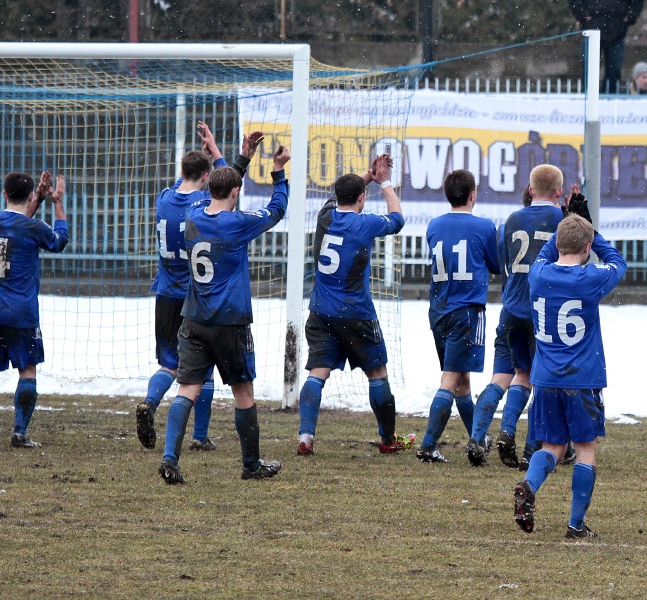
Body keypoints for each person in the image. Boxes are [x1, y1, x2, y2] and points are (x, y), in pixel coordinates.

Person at [157, 142, 290, 484]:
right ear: (235, 192)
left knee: (187, 388)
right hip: (230, 322)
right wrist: (278, 171)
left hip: (194, 320)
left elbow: (223, 191)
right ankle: (251, 466)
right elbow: (277, 209)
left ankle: (170, 458)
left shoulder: (194, 214)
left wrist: (240, 162)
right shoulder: (238, 224)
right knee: (243, 393)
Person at [136, 122, 261, 452]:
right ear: (208, 179)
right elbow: (227, 183)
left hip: (164, 293)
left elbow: (192, 181)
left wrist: (204, 160)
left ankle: (150, 401)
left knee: (169, 365)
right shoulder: (204, 205)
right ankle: (200, 435)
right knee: (200, 372)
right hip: (196, 297)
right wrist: (223, 156)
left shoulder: (165, 200)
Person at [512, 206, 627, 538]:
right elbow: (618, 262)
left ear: (558, 243)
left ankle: (528, 484)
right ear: (588, 248)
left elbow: (553, 250)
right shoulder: (590, 279)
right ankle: (575, 525)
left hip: (545, 378)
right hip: (582, 379)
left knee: (551, 446)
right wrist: (590, 230)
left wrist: (568, 225)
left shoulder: (538, 273)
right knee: (586, 448)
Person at [295, 155, 407, 456]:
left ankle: (305, 437)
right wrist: (383, 181)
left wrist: (364, 178)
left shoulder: (325, 215)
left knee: (317, 372)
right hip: (356, 312)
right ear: (361, 198)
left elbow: (343, 195)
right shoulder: (365, 223)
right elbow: (398, 219)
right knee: (378, 373)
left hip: (320, 311)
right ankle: (387, 439)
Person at [0, 171, 69, 448]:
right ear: (30, 195)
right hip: (21, 313)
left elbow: (15, 224)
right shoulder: (34, 229)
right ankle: (19, 433)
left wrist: (37, 201)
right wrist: (55, 202)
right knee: (27, 370)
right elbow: (59, 242)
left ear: (4, 194)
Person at [468, 167, 563, 468]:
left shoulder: (512, 220)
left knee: (512, 375)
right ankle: (531, 449)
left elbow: (501, 261)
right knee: (542, 381)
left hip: (512, 308)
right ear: (559, 192)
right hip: (542, 312)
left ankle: (494, 433)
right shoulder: (562, 222)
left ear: (531, 190)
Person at [418, 169, 500, 463]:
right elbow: (496, 265)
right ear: (473, 195)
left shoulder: (434, 226)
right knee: (451, 378)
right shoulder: (484, 227)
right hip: (466, 311)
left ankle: (478, 438)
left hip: (439, 309)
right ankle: (428, 444)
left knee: (461, 379)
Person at [568, 0, 645, 93]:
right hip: (591, 29)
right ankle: (589, 96)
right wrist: (583, 15)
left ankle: (609, 97)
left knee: (614, 69)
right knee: (589, 67)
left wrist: (629, 17)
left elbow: (637, 3)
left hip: (617, 30)